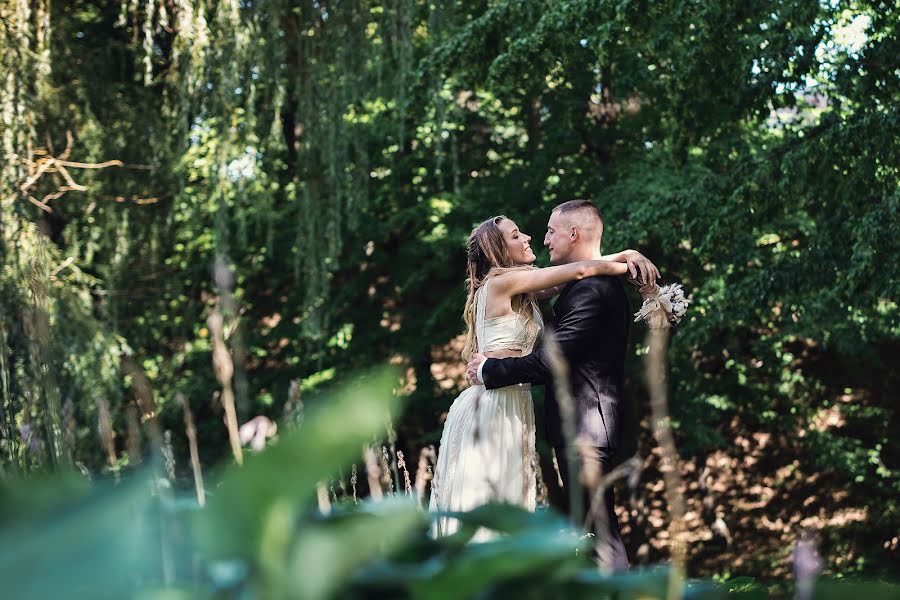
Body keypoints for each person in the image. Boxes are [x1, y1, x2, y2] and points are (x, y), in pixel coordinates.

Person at [429, 210, 657, 544]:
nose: (529, 238)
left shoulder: (521, 285)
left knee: (509, 500)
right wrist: (631, 268)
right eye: (516, 235)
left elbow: (575, 272)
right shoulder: (503, 281)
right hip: (493, 401)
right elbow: (581, 269)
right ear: (499, 251)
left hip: (509, 399)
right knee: (489, 499)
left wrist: (628, 254)